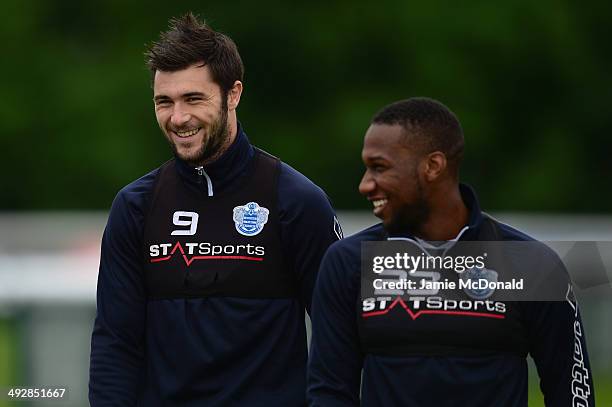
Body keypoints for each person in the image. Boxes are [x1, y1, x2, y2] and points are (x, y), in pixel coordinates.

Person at [89, 13, 341, 406]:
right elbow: (115, 343)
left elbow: (340, 337)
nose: (178, 118)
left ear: (233, 94)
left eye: (193, 98)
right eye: (164, 102)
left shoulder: (295, 201)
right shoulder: (136, 206)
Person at [307, 97, 595, 406]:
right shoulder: (348, 262)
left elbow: (572, 391)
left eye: (379, 168)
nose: (365, 185)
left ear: (433, 166)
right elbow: (329, 392)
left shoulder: (531, 265)